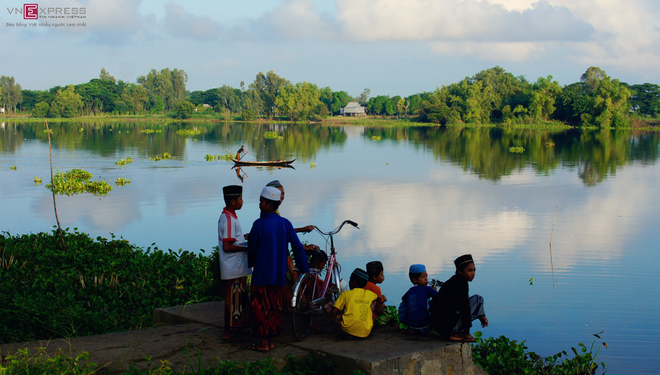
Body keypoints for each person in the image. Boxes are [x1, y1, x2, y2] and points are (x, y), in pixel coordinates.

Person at [247, 186, 309, 352]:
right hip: (278, 275)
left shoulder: (258, 224)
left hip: (261, 275)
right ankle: (271, 341)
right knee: (274, 307)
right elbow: (297, 247)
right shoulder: (285, 223)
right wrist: (304, 268)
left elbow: (252, 248)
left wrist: (250, 262)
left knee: (259, 308)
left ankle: (263, 343)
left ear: (268, 204)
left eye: (261, 201)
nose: (259, 204)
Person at [217, 185, 251, 342]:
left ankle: (238, 327)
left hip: (236, 268)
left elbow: (233, 239)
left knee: (239, 299)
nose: (242, 201)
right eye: (240, 199)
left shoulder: (230, 217)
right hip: (233, 268)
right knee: (233, 300)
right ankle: (229, 332)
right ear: (232, 201)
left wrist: (244, 238)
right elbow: (228, 246)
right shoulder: (229, 219)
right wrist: (246, 247)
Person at [429, 254, 488, 342]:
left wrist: (481, 315)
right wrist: (466, 332)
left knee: (469, 299)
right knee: (478, 299)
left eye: (474, 270)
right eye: (470, 270)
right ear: (460, 271)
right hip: (446, 325)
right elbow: (465, 307)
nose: (473, 274)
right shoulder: (461, 283)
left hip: (439, 325)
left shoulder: (454, 281)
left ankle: (456, 331)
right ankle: (455, 332)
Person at [328, 268, 381, 339]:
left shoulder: (345, 294)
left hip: (347, 330)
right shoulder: (370, 294)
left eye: (350, 280)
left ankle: (348, 332)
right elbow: (379, 298)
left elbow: (334, 312)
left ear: (354, 282)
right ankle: (364, 327)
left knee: (327, 306)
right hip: (366, 333)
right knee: (372, 303)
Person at [399, 264, 437, 334]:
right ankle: (432, 330)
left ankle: (406, 327)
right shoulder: (428, 289)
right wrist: (434, 291)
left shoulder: (410, 290)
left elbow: (403, 298)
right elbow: (438, 297)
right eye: (423, 277)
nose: (426, 279)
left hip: (412, 327)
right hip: (426, 326)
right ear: (415, 280)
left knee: (403, 304)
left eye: (426, 276)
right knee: (436, 302)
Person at [365, 261, 396, 327]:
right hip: (371, 319)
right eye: (382, 275)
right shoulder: (376, 289)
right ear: (375, 277)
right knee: (392, 310)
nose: (383, 277)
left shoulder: (363, 285)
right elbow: (379, 311)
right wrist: (382, 304)